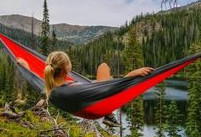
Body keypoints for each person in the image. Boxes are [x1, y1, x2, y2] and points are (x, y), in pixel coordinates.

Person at [18, 51, 154, 127]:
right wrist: (131, 75)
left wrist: (25, 67)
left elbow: (33, 78)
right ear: (67, 68)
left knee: (103, 69)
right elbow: (111, 90)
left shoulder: (47, 88)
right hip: (94, 108)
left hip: (84, 100)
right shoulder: (73, 90)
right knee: (103, 67)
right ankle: (109, 115)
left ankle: (109, 113)